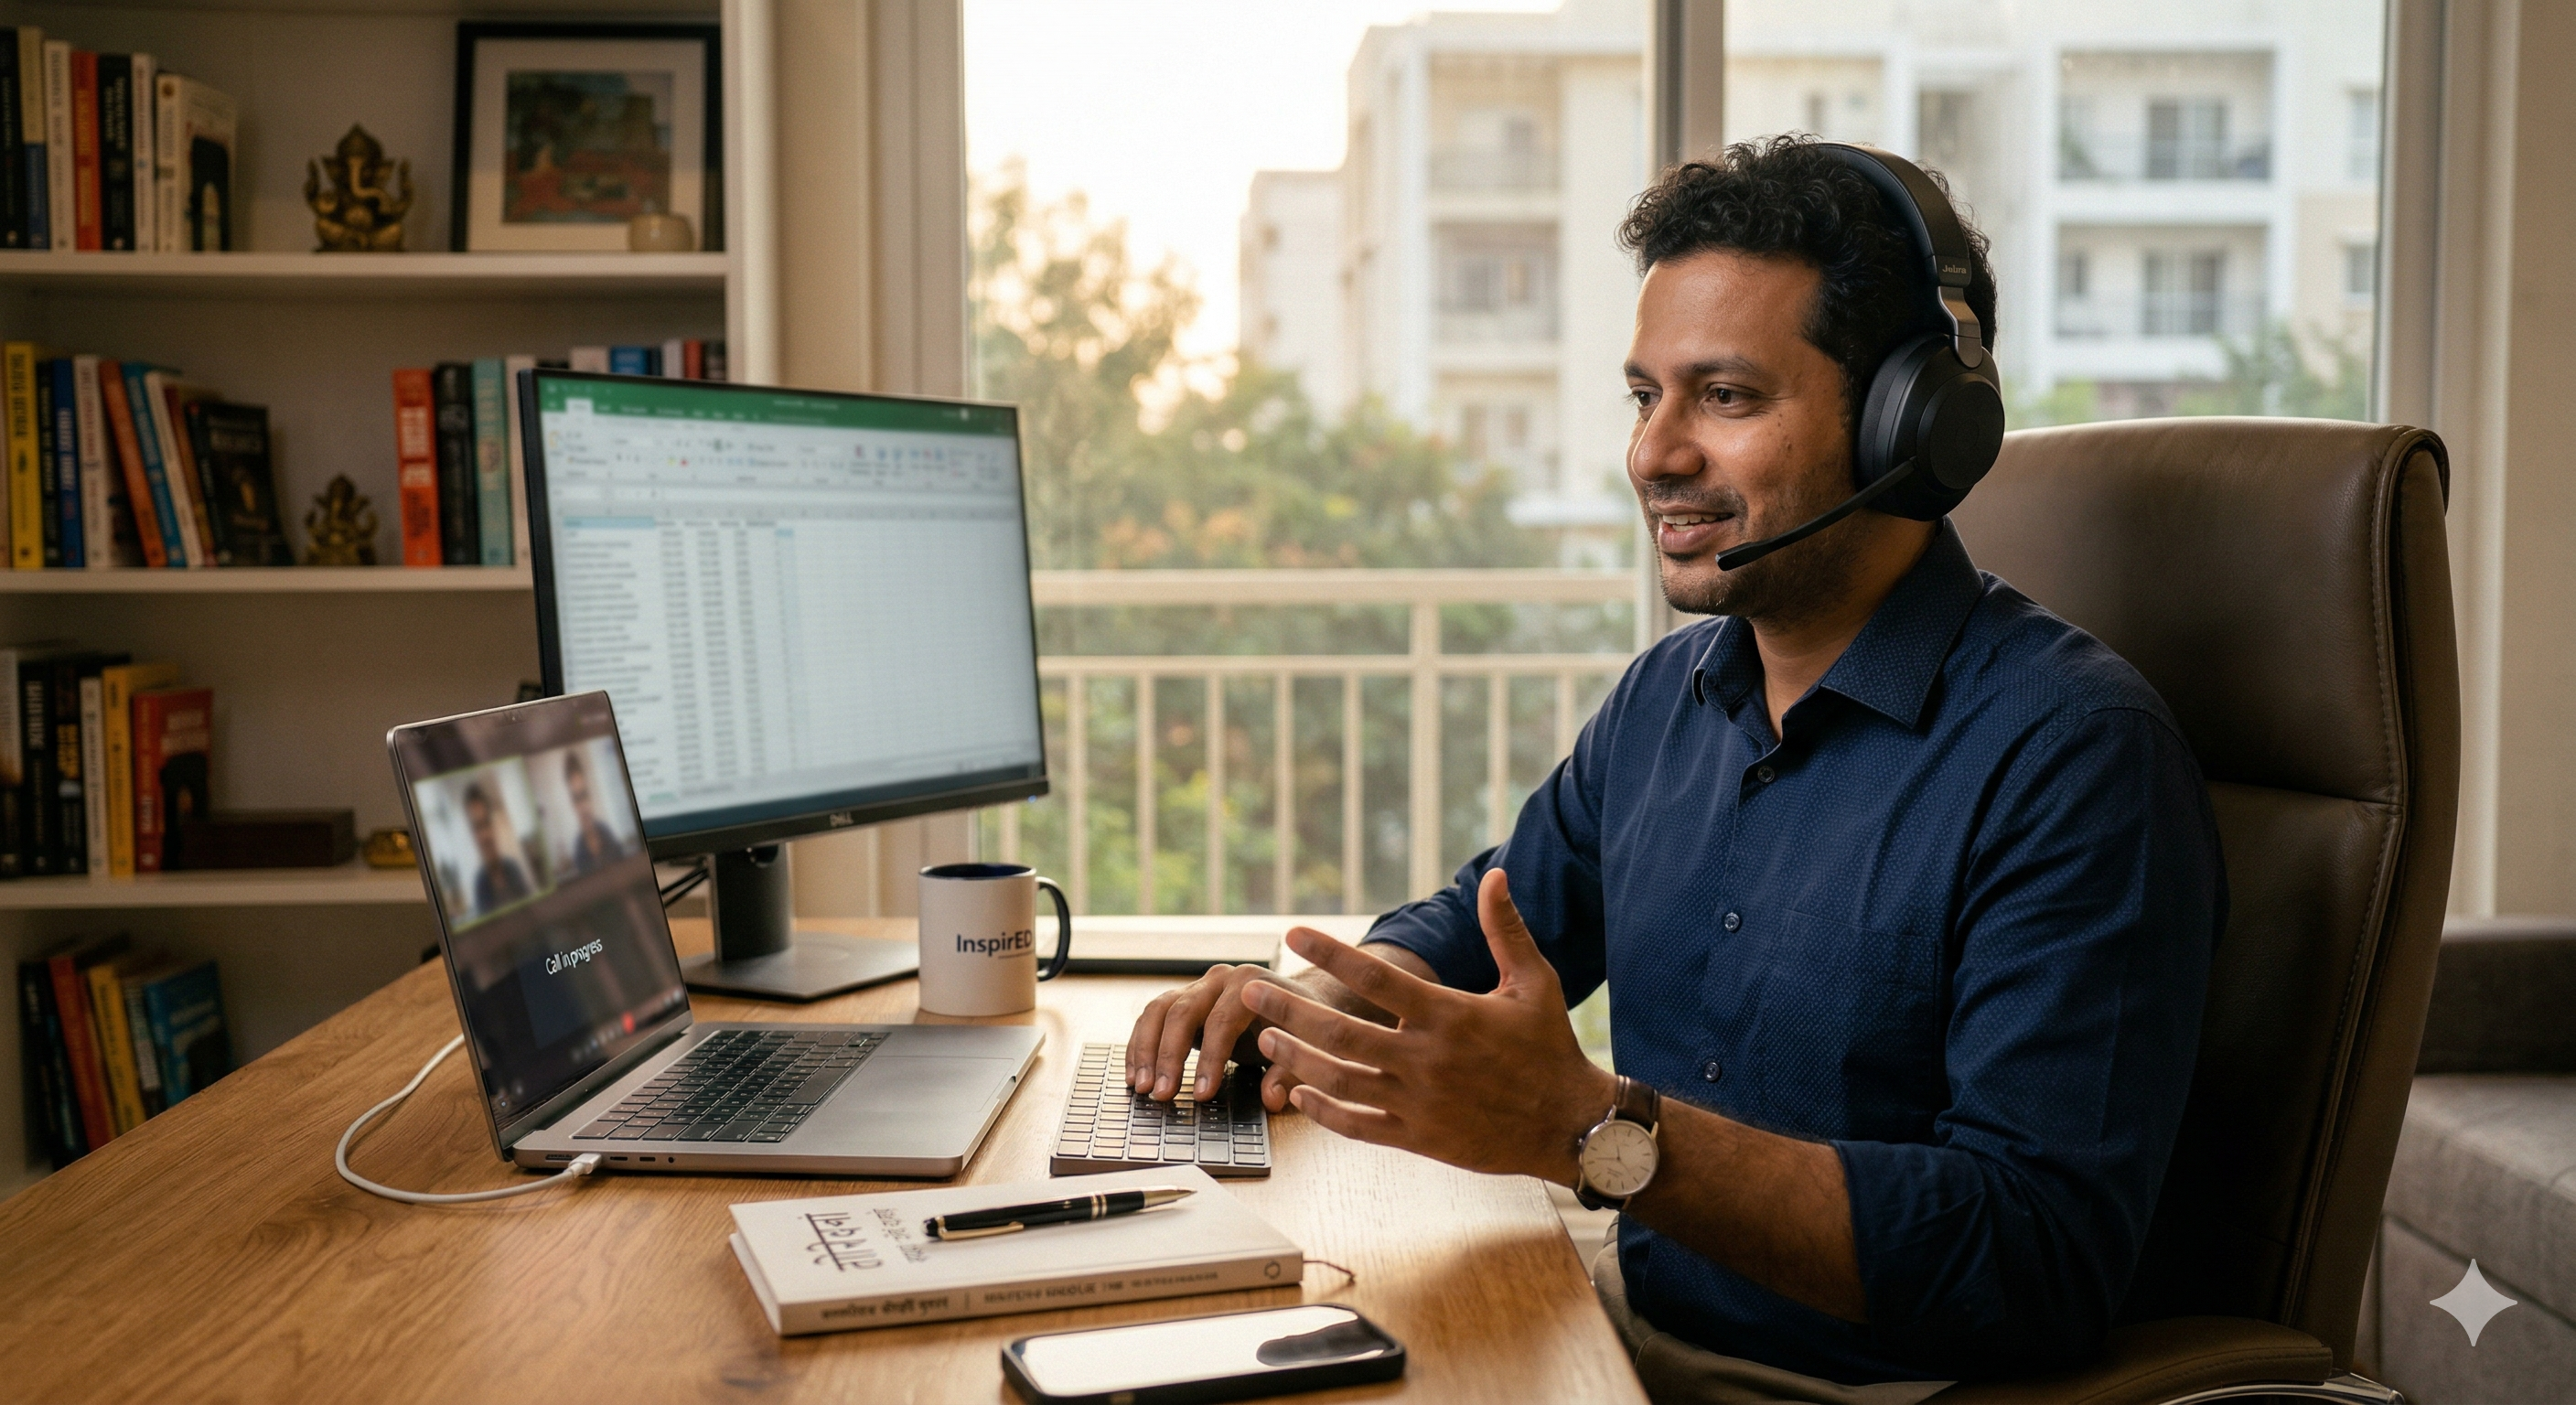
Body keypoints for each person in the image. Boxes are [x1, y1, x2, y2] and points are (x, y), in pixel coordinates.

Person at [1124, 135, 2223, 1398]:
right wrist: (1306, 1006)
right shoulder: (1668, 698)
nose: (1654, 454)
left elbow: (2033, 1261)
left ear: (1910, 425)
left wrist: (1585, 1130)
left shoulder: (2072, 755)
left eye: (1727, 397)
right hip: (1627, 1325)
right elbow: (1492, 919)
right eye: (1645, 396)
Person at [461, 781, 535, 917]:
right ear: (472, 834)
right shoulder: (479, 885)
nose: (485, 835)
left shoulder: (513, 869)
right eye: (477, 827)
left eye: (486, 823)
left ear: (493, 825)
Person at [556, 748, 628, 877]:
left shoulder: (607, 833)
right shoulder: (578, 850)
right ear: (572, 805)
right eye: (576, 799)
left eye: (585, 795)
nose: (583, 807)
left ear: (590, 795)